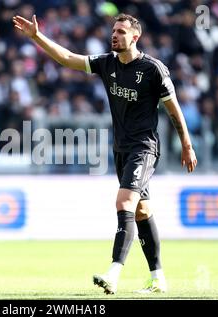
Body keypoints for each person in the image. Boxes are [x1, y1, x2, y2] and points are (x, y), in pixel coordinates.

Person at [13, 13, 198, 294]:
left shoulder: (153, 70)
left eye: (121, 31)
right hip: (121, 149)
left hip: (144, 148)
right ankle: (158, 277)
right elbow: (66, 58)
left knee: (123, 202)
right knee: (141, 211)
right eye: (114, 30)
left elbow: (174, 110)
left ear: (135, 37)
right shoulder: (107, 63)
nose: (115, 35)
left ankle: (114, 272)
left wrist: (186, 144)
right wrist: (37, 36)